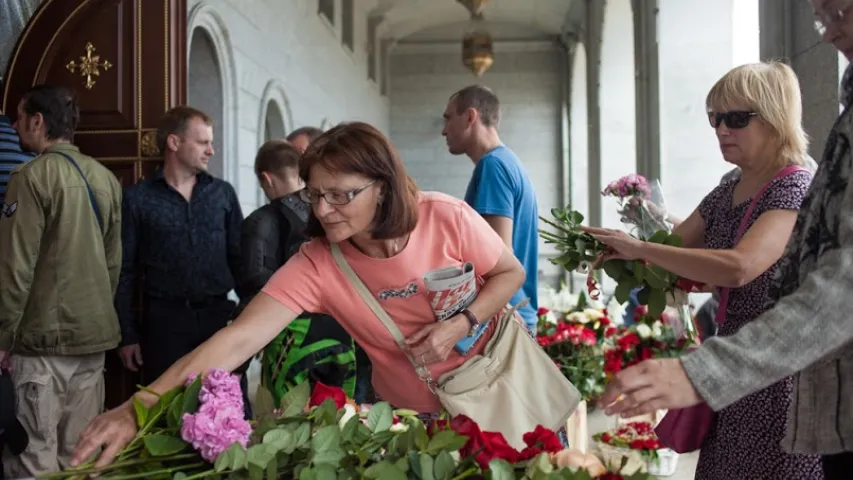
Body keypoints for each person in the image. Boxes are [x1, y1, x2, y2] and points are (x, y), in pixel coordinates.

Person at [70, 121, 525, 469]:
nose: (324, 211)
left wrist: (461, 323)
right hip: (413, 420)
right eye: (315, 195)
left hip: (497, 393)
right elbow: (237, 339)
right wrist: (137, 408)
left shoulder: (445, 216)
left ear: (382, 187)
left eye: (341, 196)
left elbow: (509, 272)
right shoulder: (319, 263)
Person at [597, 2, 853, 478]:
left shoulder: (795, 184)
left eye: (736, 118)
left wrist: (640, 248)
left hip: (777, 372)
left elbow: (739, 265)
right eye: (714, 118)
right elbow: (675, 249)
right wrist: (626, 231)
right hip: (733, 371)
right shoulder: (728, 186)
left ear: (774, 117)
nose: (721, 129)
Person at [0, 85, 122, 477]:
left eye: (20, 117)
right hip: (93, 340)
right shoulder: (106, 178)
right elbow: (112, 265)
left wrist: (3, 338)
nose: (16, 125)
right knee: (81, 459)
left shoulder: (31, 176)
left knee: (33, 460)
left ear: (38, 121)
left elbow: (15, 268)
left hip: (41, 345)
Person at [114, 106, 247, 413]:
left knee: (227, 411)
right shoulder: (137, 199)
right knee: (163, 413)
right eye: (203, 143)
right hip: (165, 324)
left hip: (219, 319)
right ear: (174, 143)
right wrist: (127, 334)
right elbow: (125, 270)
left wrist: (248, 320)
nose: (211, 151)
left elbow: (240, 261)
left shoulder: (222, 194)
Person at [235, 140, 370, 405]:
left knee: (288, 422)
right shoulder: (336, 213)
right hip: (344, 329)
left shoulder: (261, 220)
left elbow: (255, 282)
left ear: (266, 179)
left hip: (290, 335)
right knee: (347, 414)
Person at [442, 85, 540, 332]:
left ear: (470, 117)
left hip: (504, 319)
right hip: (513, 316)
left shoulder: (493, 166)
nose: (444, 130)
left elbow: (497, 258)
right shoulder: (507, 163)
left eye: (448, 118)